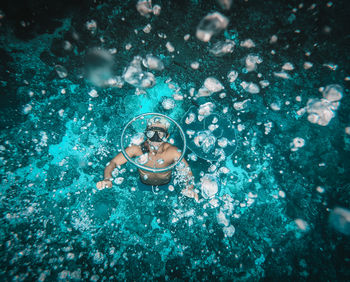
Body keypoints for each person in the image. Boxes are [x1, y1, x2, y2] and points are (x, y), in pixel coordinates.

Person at [96, 116, 198, 201]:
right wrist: (107, 178)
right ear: (146, 134)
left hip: (167, 186)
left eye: (160, 133)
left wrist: (189, 188)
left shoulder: (172, 152)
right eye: (151, 133)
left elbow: (187, 173)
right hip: (142, 184)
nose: (155, 138)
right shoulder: (137, 149)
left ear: (166, 136)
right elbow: (113, 162)